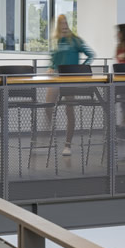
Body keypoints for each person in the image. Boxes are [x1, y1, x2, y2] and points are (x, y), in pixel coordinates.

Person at [46, 14, 95, 156]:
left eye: (65, 22)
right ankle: (53, 137)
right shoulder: (56, 41)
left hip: (70, 79)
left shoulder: (75, 40)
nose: (64, 25)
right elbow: (53, 60)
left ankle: (67, 144)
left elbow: (91, 55)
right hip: (56, 78)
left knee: (69, 110)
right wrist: (50, 67)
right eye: (61, 23)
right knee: (48, 107)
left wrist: (80, 69)